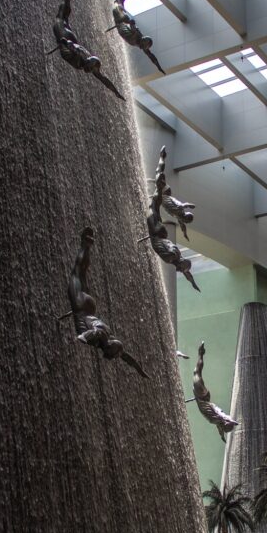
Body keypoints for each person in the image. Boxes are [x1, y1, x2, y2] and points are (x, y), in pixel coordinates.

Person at [67, 227, 148, 377]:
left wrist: (139, 369)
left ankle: (86, 246)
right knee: (78, 272)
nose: (119, 356)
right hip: (81, 306)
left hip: (88, 307)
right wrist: (82, 337)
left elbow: (125, 356)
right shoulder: (104, 339)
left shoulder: (106, 337)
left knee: (80, 272)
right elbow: (97, 334)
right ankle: (85, 245)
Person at [52, 0, 124, 100]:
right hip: (67, 39)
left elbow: (104, 79)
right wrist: (66, 43)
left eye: (91, 69)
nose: (90, 70)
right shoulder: (84, 59)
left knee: (62, 19)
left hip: (66, 39)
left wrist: (116, 92)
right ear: (89, 62)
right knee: (63, 19)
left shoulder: (86, 64)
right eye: (90, 67)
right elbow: (74, 48)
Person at [146, 148, 200, 291]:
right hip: (158, 229)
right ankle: (161, 159)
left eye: (184, 263)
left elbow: (184, 270)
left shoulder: (173, 257)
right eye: (185, 262)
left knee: (155, 198)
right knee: (158, 187)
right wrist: (193, 283)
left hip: (156, 231)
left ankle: (161, 158)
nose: (184, 261)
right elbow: (187, 273)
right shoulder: (176, 258)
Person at [107, 0, 165, 74]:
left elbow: (152, 56)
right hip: (121, 20)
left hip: (120, 20)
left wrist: (159, 67)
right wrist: (159, 67)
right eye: (145, 38)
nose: (143, 38)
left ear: (144, 44)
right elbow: (152, 56)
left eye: (144, 40)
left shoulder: (138, 39)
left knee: (119, 2)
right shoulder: (139, 38)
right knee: (120, 2)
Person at [192, 341, 237, 442]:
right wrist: (230, 421)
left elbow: (220, 426)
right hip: (202, 396)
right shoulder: (218, 418)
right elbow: (221, 414)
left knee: (197, 372)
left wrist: (222, 436)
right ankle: (201, 353)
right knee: (196, 372)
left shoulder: (218, 421)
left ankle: (201, 353)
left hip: (204, 398)